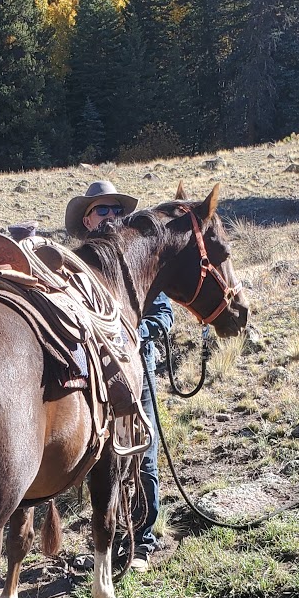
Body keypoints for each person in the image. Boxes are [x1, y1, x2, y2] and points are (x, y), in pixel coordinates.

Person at [64, 180, 173, 573]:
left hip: (130, 373)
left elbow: (162, 312)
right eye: (102, 210)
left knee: (138, 452)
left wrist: (132, 335)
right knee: (98, 460)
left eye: (115, 210)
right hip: (89, 378)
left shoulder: (136, 263)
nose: (111, 216)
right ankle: (107, 541)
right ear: (88, 220)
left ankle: (142, 540)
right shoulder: (74, 266)